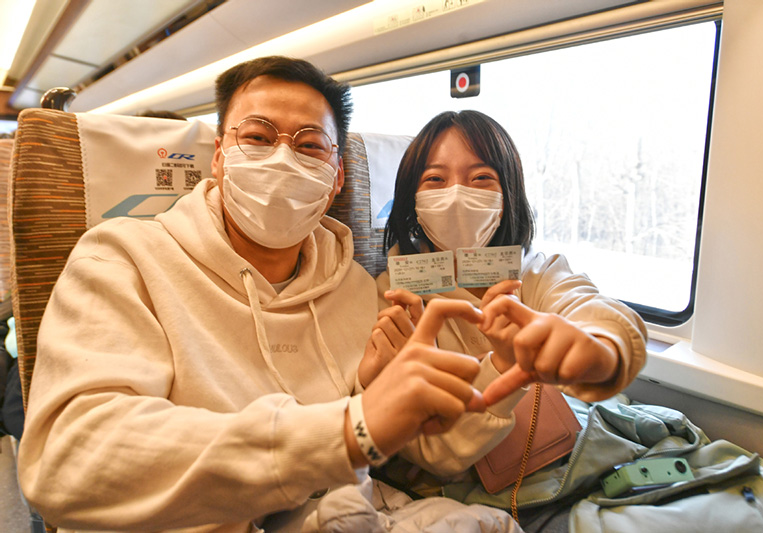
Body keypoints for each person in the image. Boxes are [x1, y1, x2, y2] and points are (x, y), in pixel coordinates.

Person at [16, 58, 522, 533]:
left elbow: (431, 449)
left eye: (309, 146)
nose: (281, 159)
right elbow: (72, 456)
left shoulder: (355, 288)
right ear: (219, 157)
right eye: (257, 138)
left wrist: (504, 365)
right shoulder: (121, 260)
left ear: (336, 175)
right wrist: (344, 430)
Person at [376, 109, 647, 407]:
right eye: (435, 179)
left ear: (508, 195)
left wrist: (604, 347)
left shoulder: (536, 272)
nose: (456, 194)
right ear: (411, 198)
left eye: (481, 178)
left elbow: (587, 306)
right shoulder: (392, 289)